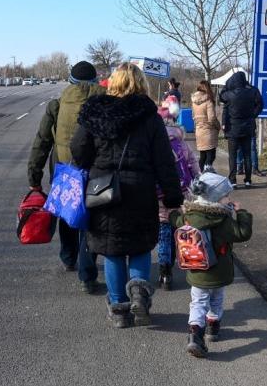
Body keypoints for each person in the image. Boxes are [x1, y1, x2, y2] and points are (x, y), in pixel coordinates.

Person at [71, 63, 183, 328]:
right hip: (140, 190)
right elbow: (164, 161)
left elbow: (78, 149)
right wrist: (172, 197)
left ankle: (120, 309)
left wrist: (92, 165)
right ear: (140, 84)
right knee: (140, 246)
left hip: (104, 191)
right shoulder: (150, 116)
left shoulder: (94, 113)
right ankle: (140, 296)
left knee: (112, 250)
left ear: (113, 83)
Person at [27, 61, 105, 294]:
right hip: (95, 171)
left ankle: (68, 256)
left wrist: (34, 175)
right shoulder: (103, 103)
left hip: (63, 170)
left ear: (70, 81)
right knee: (91, 220)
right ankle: (87, 275)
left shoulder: (57, 105)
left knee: (68, 213)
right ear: (95, 81)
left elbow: (42, 141)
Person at [169, 172, 253, 358]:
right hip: (219, 272)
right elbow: (243, 233)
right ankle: (212, 329)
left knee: (197, 302)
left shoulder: (189, 217)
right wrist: (241, 213)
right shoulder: (223, 221)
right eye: (226, 196)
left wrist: (175, 213)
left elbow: (176, 221)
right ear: (216, 198)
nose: (228, 199)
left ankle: (194, 334)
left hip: (196, 270)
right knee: (216, 299)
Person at [156, 96, 200, 291]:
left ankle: (164, 270)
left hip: (159, 194)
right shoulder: (182, 143)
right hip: (181, 191)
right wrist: (197, 183)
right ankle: (178, 261)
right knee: (178, 229)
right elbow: (193, 165)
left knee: (163, 230)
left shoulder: (154, 143)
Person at [219, 71, 263, 188]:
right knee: (247, 154)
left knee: (233, 155)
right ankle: (248, 180)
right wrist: (253, 115)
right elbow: (260, 104)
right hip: (248, 128)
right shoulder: (252, 91)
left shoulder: (230, 94)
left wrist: (227, 84)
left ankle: (233, 180)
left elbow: (221, 96)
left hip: (233, 129)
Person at [191, 80, 219, 172]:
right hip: (208, 131)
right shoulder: (208, 101)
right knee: (211, 155)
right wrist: (217, 126)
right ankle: (207, 174)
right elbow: (212, 118)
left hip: (199, 130)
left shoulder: (194, 101)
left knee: (202, 156)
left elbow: (193, 116)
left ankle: (200, 175)